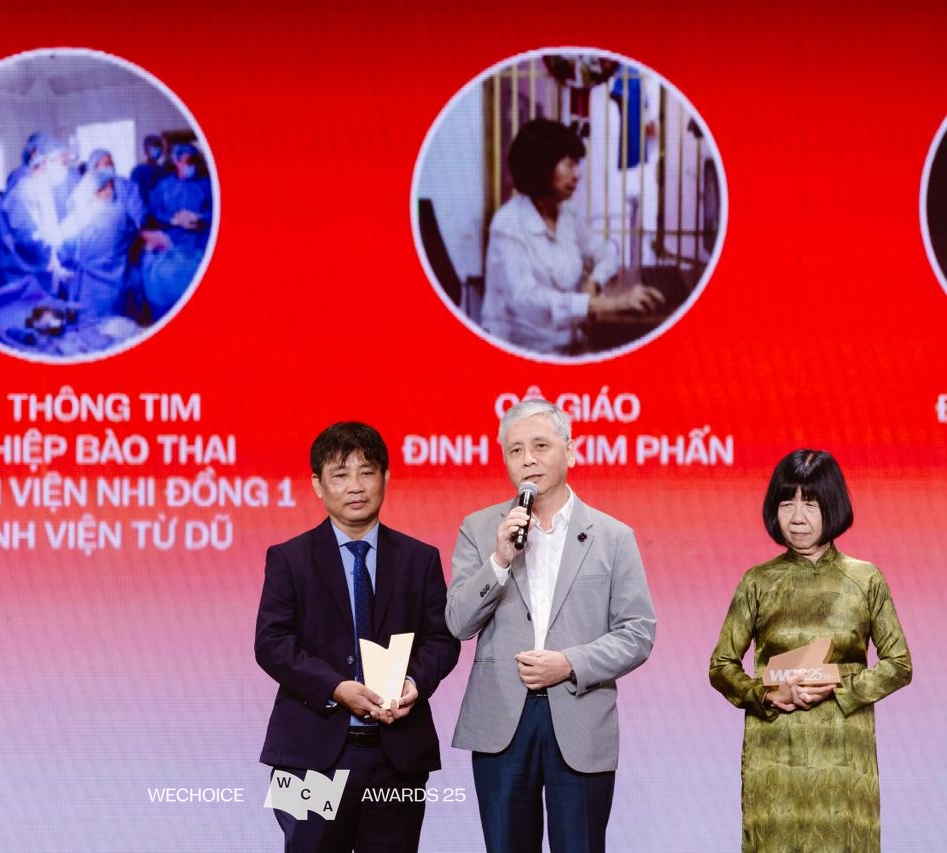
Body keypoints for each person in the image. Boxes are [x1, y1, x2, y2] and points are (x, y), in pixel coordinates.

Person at [446, 399, 655, 853]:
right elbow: (458, 622)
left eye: (540, 446)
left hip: (580, 716)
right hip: (502, 722)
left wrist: (569, 663)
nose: (528, 459)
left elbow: (638, 632)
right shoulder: (480, 528)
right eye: (515, 450)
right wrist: (499, 560)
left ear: (570, 451)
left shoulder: (612, 536)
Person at [256, 422, 460, 852]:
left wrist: (414, 683)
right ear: (317, 484)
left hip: (396, 759)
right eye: (340, 474)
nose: (355, 486)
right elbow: (272, 643)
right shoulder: (289, 558)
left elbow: (442, 640)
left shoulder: (419, 559)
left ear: (386, 478)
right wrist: (335, 687)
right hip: (308, 758)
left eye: (367, 472)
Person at [709, 449, 911, 852]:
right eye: (787, 504)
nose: (797, 518)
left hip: (843, 754)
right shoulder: (758, 581)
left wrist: (840, 687)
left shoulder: (865, 579)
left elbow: (899, 663)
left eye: (811, 504)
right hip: (774, 756)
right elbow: (721, 665)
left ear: (833, 506)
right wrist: (766, 694)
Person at [481, 119, 664, 356]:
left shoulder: (566, 213)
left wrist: (593, 283)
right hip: (524, 351)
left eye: (577, 164)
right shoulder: (508, 224)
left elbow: (605, 254)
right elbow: (526, 299)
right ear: (542, 166)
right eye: (569, 164)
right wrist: (609, 303)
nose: (577, 174)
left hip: (570, 342)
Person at [60, 150, 154, 317]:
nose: (107, 169)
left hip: (102, 277)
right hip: (105, 276)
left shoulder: (122, 190)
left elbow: (64, 254)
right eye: (101, 165)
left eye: (109, 164)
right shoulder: (86, 197)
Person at [0, 133, 73, 295]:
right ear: (43, 162)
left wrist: (56, 264)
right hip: (22, 280)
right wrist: (57, 247)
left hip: (39, 277)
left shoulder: (42, 189)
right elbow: (28, 240)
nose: (65, 168)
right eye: (61, 161)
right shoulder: (23, 192)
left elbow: (46, 232)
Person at [142, 142, 213, 319]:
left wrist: (200, 217)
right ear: (176, 162)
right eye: (187, 162)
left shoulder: (206, 185)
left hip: (198, 244)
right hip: (171, 244)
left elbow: (218, 210)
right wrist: (173, 220)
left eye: (194, 161)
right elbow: (154, 211)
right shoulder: (164, 186)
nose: (191, 166)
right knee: (166, 288)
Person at [129, 134, 168, 202]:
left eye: (160, 148)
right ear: (146, 149)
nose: (158, 151)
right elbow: (135, 195)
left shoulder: (162, 170)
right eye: (155, 148)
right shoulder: (138, 171)